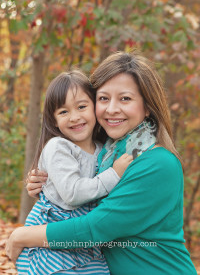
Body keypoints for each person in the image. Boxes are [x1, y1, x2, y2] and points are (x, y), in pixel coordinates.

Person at [6, 52, 197, 275]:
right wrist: (47, 184)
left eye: (125, 99)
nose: (111, 109)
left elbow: (94, 229)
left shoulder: (157, 163)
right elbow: (77, 198)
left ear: (147, 107)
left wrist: (22, 235)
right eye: (104, 98)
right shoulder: (105, 154)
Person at [15, 70, 133, 275]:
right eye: (63, 112)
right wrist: (114, 174)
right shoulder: (58, 147)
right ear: (53, 120)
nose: (75, 117)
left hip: (83, 237)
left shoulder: (102, 148)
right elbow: (73, 194)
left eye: (82, 107)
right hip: (53, 232)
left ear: (95, 107)